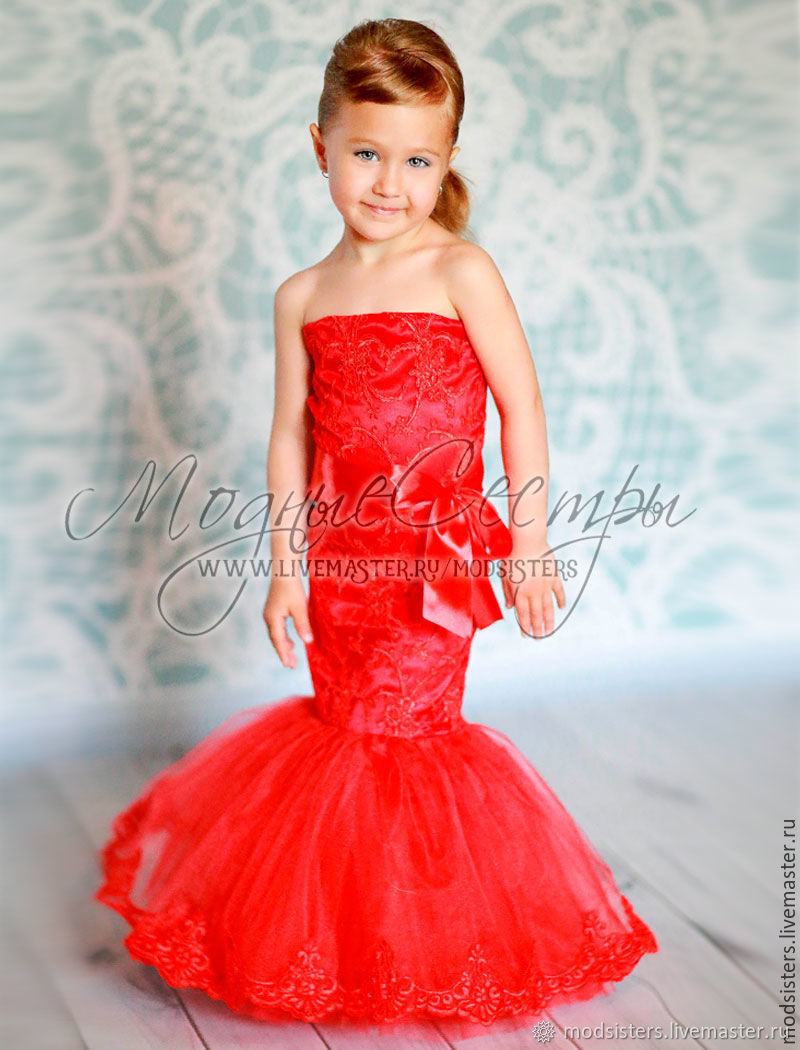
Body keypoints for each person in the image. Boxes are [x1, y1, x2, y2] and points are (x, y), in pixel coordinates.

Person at [95, 17, 658, 1042]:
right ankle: (348, 941)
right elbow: (288, 437)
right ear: (321, 148)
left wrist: (529, 545)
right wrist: (286, 569)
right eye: (365, 154)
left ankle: (423, 941)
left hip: (433, 565)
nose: (388, 183)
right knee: (344, 734)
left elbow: (520, 406)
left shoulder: (460, 270)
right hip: (342, 566)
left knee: (408, 739)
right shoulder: (302, 296)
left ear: (446, 161)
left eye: (416, 160)